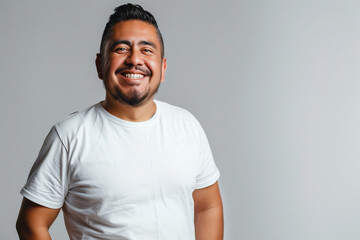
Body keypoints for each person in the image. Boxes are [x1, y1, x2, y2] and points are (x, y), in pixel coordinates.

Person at [16, 3, 223, 240]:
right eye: (121, 49)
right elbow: (31, 224)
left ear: (162, 68)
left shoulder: (187, 126)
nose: (134, 59)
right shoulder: (70, 136)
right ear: (99, 65)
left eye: (147, 50)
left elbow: (208, 207)